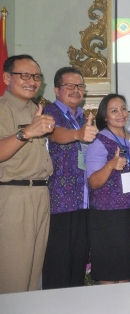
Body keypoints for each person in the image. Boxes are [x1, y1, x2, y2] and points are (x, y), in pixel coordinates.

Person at [0, 54, 55, 294]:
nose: (31, 81)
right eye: (24, 75)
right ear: (6, 78)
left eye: (35, 76)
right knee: (14, 274)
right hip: (15, 196)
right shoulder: (3, 109)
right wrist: (26, 133)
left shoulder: (37, 109)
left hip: (40, 193)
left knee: (33, 274)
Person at [41, 66, 96, 289]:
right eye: (69, 86)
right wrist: (78, 134)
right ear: (56, 89)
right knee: (57, 266)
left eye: (80, 86)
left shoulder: (83, 117)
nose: (75, 90)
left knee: (77, 264)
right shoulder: (49, 112)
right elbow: (54, 134)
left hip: (83, 201)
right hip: (59, 202)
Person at [85, 94, 130, 284]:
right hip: (107, 217)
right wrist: (110, 165)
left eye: (123, 108)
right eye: (114, 110)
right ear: (105, 116)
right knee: (109, 271)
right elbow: (93, 182)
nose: (121, 114)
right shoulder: (99, 141)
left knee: (126, 269)